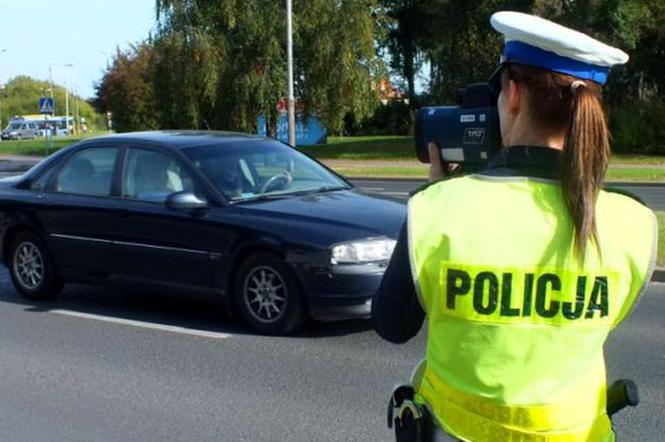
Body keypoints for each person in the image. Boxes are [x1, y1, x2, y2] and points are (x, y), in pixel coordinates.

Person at [373, 11, 658, 442]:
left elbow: (392, 325)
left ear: (513, 97)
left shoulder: (436, 211)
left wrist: (442, 196)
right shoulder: (633, 221)